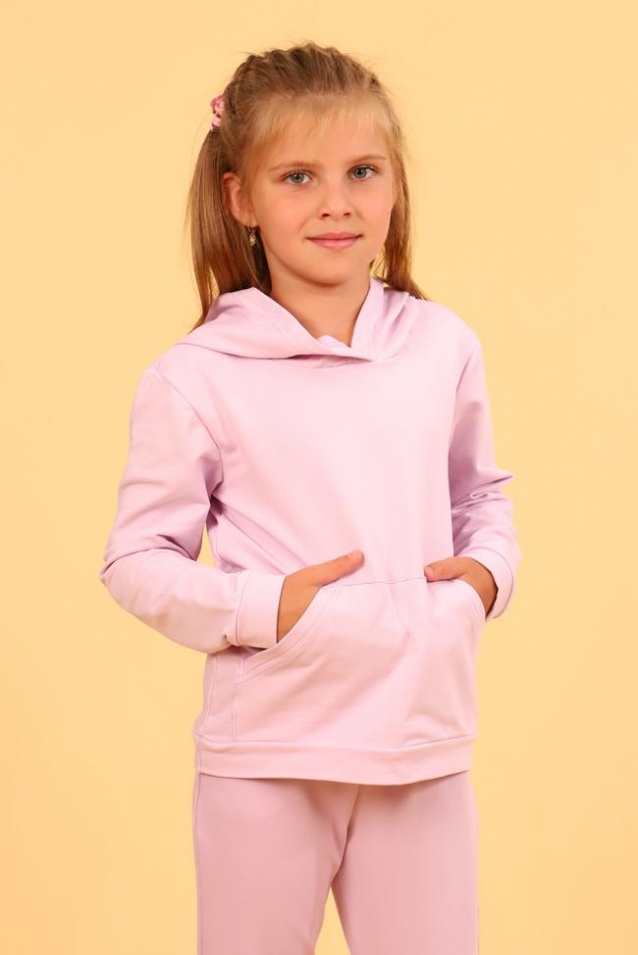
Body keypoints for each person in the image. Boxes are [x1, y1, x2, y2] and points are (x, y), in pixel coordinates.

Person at [98, 40, 522, 955]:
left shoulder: (441, 345)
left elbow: (482, 493)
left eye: (362, 171)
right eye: (298, 176)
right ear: (240, 198)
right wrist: (267, 608)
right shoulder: (196, 376)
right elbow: (135, 560)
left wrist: (484, 577)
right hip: (269, 752)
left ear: (394, 183)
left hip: (420, 740)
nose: (336, 202)